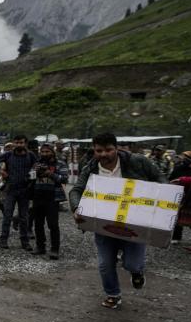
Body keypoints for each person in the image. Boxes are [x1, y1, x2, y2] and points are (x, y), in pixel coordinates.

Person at [69, 133, 167, 310]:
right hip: (104, 224)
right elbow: (76, 190)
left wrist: (162, 201)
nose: (104, 154)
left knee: (132, 263)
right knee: (105, 263)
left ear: (116, 148)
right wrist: (77, 208)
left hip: (135, 221)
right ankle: (113, 294)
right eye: (99, 150)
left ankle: (137, 272)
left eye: (108, 150)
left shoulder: (137, 162)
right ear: (94, 149)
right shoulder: (90, 168)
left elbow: (160, 178)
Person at [0, 135, 37, 250]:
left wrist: (32, 174)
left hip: (25, 190)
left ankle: (25, 242)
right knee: (7, 215)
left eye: (21, 142)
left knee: (24, 217)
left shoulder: (31, 155)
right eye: (17, 142)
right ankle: (3, 240)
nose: (19, 145)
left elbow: (37, 166)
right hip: (10, 189)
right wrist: (1, 171)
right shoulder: (8, 155)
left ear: (25, 143)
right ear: (13, 143)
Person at [31, 143, 69, 259]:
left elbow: (65, 178)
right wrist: (34, 173)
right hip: (38, 196)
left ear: (52, 152)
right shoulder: (37, 163)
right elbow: (29, 177)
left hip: (53, 197)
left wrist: (51, 174)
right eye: (42, 152)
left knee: (53, 224)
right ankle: (40, 247)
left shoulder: (60, 163)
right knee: (38, 224)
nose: (44, 154)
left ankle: (54, 249)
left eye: (47, 152)